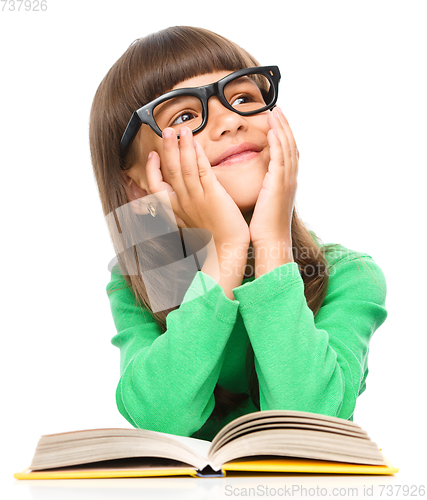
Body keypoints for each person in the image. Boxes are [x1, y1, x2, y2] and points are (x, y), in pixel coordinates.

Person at [89, 26, 388, 441]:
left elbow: (311, 422)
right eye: (185, 116)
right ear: (139, 182)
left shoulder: (349, 275)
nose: (229, 121)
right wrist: (226, 251)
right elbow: (159, 418)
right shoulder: (135, 282)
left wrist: (272, 245)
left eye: (244, 97)